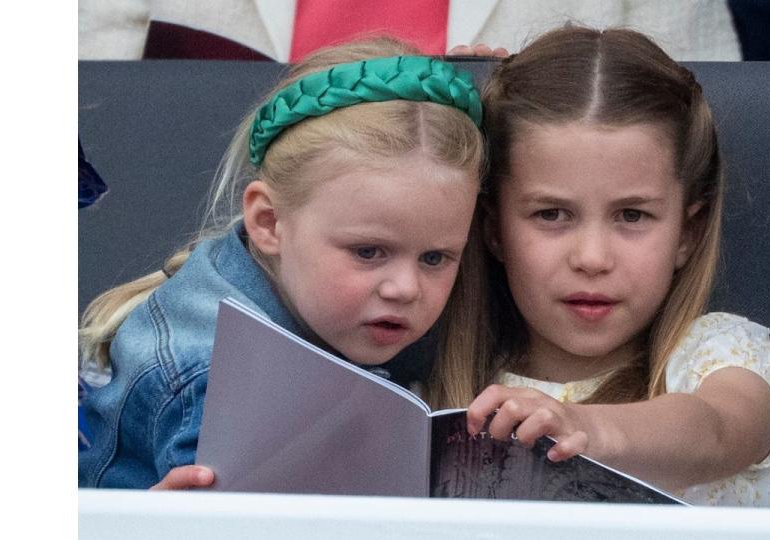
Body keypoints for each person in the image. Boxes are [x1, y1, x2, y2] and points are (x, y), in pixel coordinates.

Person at [78, 37, 486, 490]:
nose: (405, 288)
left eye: (435, 258)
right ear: (268, 223)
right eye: (368, 252)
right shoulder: (219, 384)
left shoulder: (303, 289)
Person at [428, 26, 770, 506]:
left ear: (687, 232)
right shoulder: (442, 371)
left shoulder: (718, 356)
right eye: (551, 214)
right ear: (494, 228)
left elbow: (717, 431)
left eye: (632, 216)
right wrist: (435, 117)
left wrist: (582, 428)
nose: (593, 259)